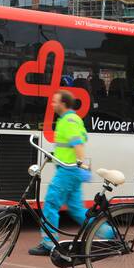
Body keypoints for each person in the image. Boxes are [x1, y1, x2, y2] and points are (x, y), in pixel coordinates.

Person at [28, 90, 91, 258]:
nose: (52, 104)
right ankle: (109, 234)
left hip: (68, 171)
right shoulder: (71, 119)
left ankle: (49, 244)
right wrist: (55, 156)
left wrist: (82, 164)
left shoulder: (68, 121)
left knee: (50, 204)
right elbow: (68, 146)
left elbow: (77, 144)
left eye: (55, 102)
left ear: (63, 104)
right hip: (70, 170)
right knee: (77, 210)